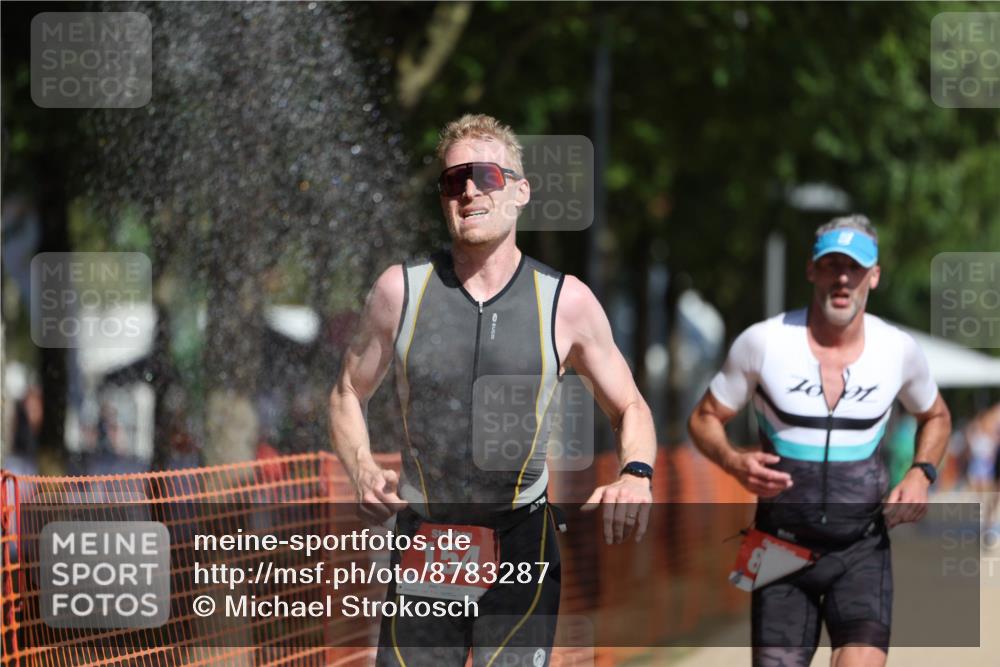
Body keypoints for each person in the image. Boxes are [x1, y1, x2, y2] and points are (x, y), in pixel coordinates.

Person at [328, 114, 657, 666]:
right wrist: (360, 466)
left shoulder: (566, 302)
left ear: (521, 192)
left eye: (486, 176)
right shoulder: (399, 291)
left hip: (521, 539)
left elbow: (630, 406)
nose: (470, 191)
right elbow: (346, 392)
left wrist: (636, 474)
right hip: (429, 539)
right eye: (453, 180)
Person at [688, 215, 952, 667]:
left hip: (862, 547)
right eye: (831, 264)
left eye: (854, 267)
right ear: (812, 270)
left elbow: (937, 415)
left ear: (874, 275)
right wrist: (733, 461)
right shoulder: (763, 342)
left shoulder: (898, 349)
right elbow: (704, 418)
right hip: (777, 548)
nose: (842, 278)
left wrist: (921, 473)